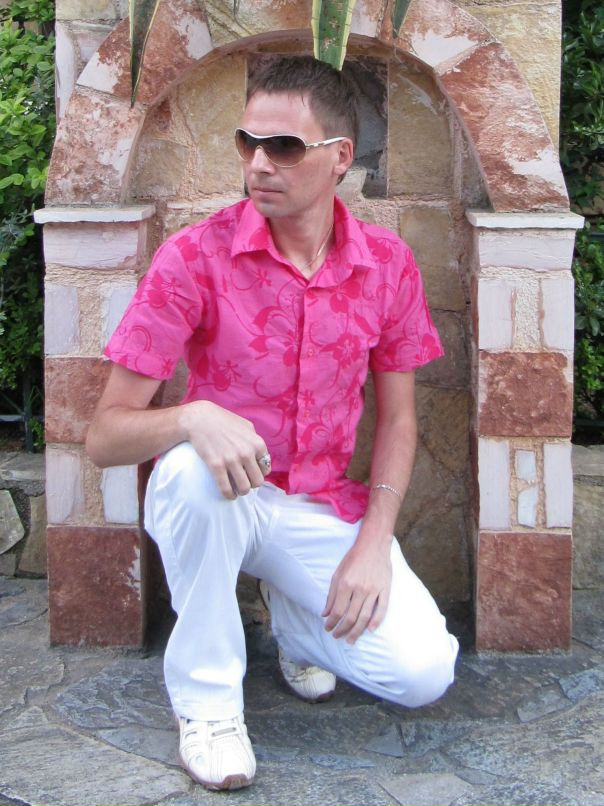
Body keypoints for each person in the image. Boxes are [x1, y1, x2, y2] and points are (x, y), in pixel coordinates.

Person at [86, 55, 459, 792]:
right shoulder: (194, 257)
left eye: (283, 146)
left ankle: (293, 621)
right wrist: (192, 416)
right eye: (247, 142)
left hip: (321, 505)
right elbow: (104, 437)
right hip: (223, 495)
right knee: (190, 470)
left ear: (339, 157)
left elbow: (399, 420)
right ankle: (209, 705)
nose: (259, 163)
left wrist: (373, 546)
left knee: (422, 673)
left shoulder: (386, 264)